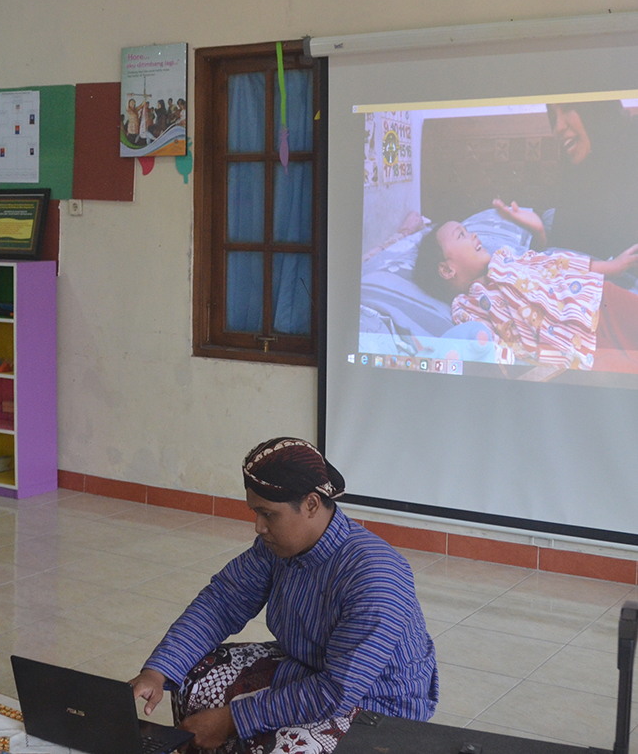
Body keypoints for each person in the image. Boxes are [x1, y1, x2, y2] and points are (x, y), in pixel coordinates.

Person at [130, 438, 438, 754]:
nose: (258, 527)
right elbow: (222, 602)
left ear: (311, 505)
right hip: (307, 667)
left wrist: (231, 719)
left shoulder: (376, 577)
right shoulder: (276, 547)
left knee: (276, 747)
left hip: (374, 704)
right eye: (255, 512)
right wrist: (158, 671)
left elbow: (336, 691)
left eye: (268, 514)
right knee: (193, 679)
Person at [413, 219, 638, 372]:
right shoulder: (465, 308)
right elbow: (492, 350)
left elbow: (555, 262)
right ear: (446, 270)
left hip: (595, 300)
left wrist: (612, 267)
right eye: (461, 234)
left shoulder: (505, 257)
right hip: (575, 350)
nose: (473, 235)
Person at [494, 100, 638, 261]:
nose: (558, 127)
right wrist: (539, 232)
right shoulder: (577, 167)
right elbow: (566, 260)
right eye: (553, 117)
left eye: (568, 108)